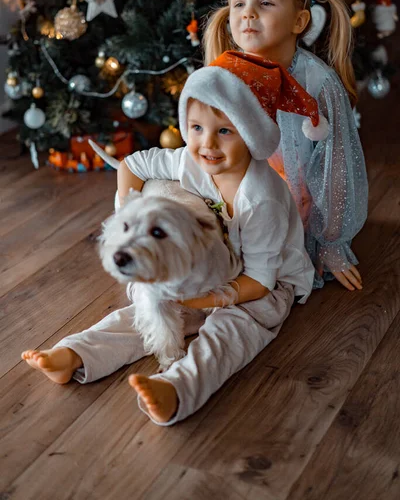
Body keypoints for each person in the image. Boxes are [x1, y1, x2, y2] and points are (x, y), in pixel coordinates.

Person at [22, 51, 318, 426]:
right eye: (196, 128)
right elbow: (132, 165)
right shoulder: (188, 161)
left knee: (231, 332)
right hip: (202, 265)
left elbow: (260, 281)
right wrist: (128, 215)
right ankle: (77, 354)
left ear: (251, 134)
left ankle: (178, 388)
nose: (206, 143)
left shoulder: (262, 198)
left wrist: (202, 299)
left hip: (262, 284)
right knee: (148, 312)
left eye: (224, 130)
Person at [203, 0, 368, 291]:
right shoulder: (223, 76)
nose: (248, 14)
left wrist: (332, 243)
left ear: (299, 21)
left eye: (264, 4)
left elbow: (336, 167)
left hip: (298, 208)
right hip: (241, 202)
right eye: (239, 4)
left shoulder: (317, 83)